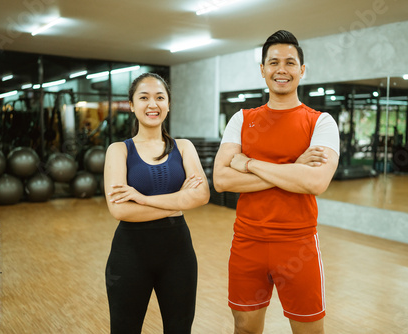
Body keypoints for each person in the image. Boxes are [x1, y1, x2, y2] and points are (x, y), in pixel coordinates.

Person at [213, 30, 340, 334]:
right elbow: (220, 179)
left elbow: (316, 182)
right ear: (263, 70)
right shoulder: (242, 120)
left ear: (302, 70)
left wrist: (250, 164)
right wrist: (293, 168)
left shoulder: (320, 122)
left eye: (290, 63)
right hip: (247, 242)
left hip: (298, 245)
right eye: (273, 63)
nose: (281, 70)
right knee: (244, 328)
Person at [103, 72, 210, 333]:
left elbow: (202, 195)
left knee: (179, 329)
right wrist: (177, 204)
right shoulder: (119, 150)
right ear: (131, 105)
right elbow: (120, 209)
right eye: (144, 97)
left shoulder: (184, 147)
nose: (153, 104)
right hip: (129, 257)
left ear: (169, 104)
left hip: (179, 256)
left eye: (160, 97)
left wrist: (140, 198)